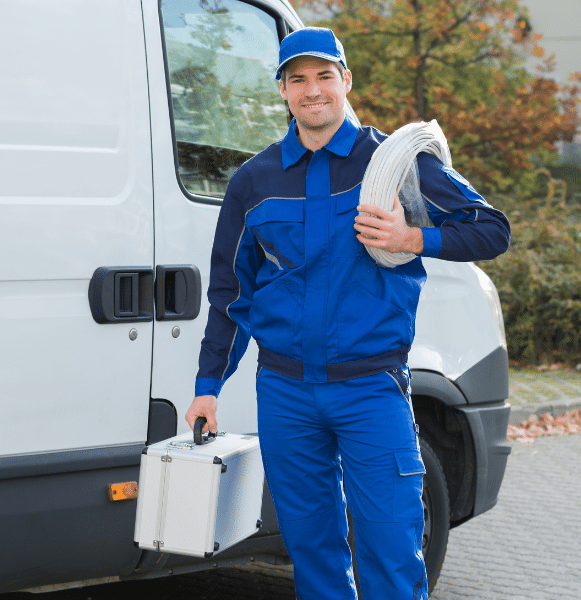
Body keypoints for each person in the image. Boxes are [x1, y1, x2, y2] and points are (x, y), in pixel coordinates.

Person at [185, 27, 510, 600]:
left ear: (345, 81)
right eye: (298, 79)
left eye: (324, 76)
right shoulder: (253, 182)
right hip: (285, 394)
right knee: (313, 553)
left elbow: (491, 229)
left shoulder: (398, 164)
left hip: (371, 389)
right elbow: (231, 294)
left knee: (391, 549)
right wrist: (209, 385)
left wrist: (415, 237)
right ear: (282, 91)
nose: (313, 90)